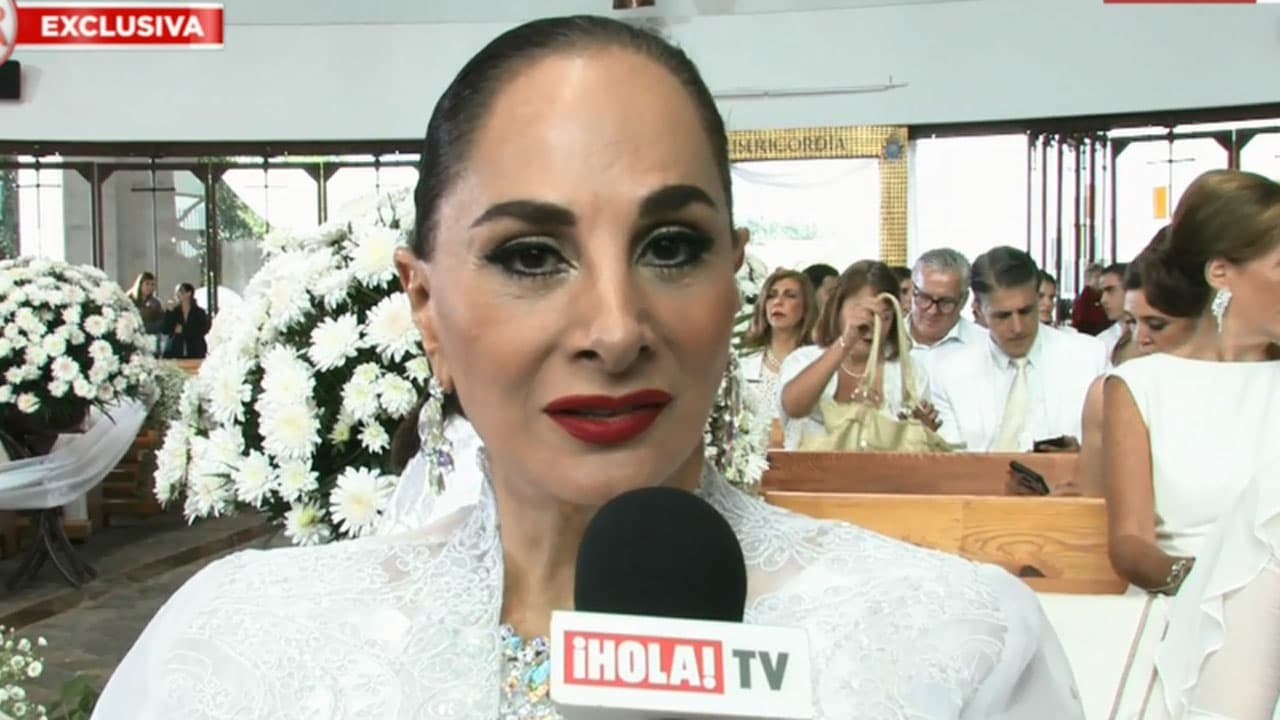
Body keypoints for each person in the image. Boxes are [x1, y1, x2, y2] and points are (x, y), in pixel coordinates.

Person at [93, 16, 1082, 719]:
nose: (615, 331)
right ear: (425, 306)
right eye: (531, 256)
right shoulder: (236, 651)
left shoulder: (951, 648)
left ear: (732, 279)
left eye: (670, 246)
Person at [1125, 170, 1280, 717]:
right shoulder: (1141, 386)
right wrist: (1210, 582)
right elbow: (1129, 544)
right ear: (1222, 273)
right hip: (1185, 611)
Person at [929, 247, 1107, 452]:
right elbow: (952, 462)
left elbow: (1115, 448)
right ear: (978, 308)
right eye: (1003, 316)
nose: (1018, 327)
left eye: (1026, 311)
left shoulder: (1090, 358)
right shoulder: (948, 373)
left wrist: (1082, 457)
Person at [1070, 233, 1198, 497]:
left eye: (1156, 324)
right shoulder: (1107, 394)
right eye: (1130, 322)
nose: (1140, 338)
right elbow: (1093, 504)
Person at [778, 260, 940, 449]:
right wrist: (846, 341)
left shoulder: (910, 371)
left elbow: (917, 451)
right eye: (863, 312)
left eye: (884, 317)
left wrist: (923, 432)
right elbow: (793, 407)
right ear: (838, 309)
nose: (872, 325)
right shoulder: (803, 360)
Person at [737, 268, 818, 426]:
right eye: (771, 296)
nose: (778, 302)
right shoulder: (744, 363)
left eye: (790, 295)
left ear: (806, 307)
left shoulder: (818, 362)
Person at [904, 248, 987, 368]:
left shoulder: (986, 346)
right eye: (925, 297)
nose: (933, 311)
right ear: (912, 290)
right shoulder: (884, 340)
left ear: (964, 300)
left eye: (945, 302)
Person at [160, 282, 209, 359]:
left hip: (195, 350)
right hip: (176, 350)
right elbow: (164, 330)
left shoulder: (199, 312)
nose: (177, 294)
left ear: (189, 293)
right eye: (176, 292)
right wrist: (168, 312)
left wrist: (184, 330)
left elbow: (203, 329)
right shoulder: (174, 311)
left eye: (180, 291)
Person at [126, 271, 165, 352]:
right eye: (147, 284)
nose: (150, 287)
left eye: (152, 284)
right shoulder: (129, 300)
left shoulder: (155, 302)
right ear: (140, 284)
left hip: (150, 340)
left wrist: (147, 328)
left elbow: (161, 322)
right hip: (132, 338)